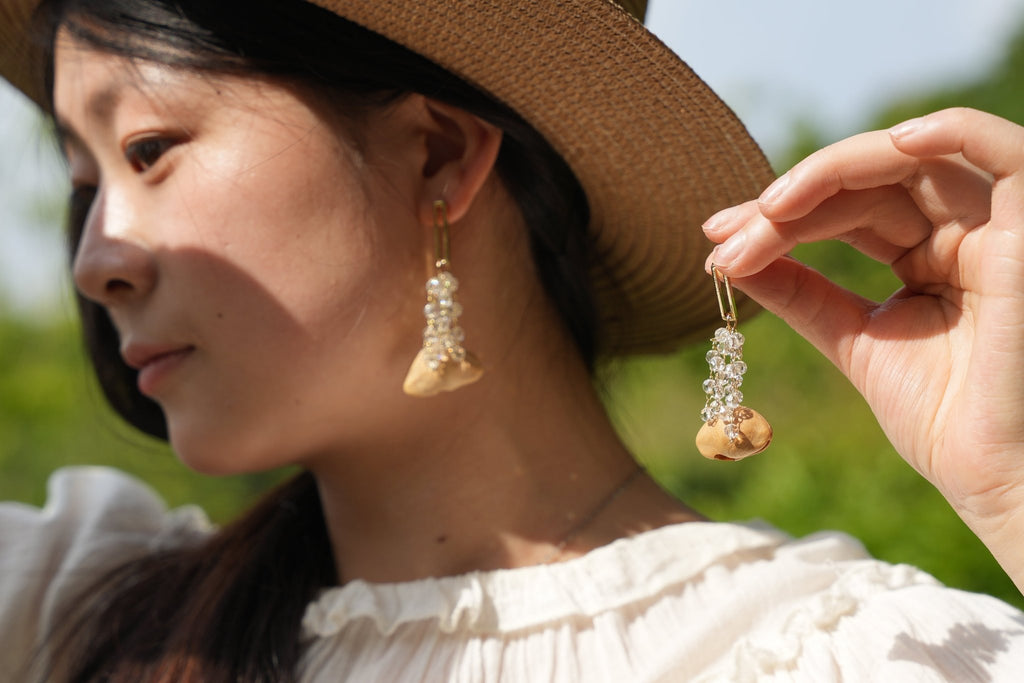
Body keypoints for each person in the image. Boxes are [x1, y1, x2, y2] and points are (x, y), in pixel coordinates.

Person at [1, 0, 1023, 680]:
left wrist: (1013, 484)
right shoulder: (73, 608)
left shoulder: (850, 655)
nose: (95, 261)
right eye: (84, 185)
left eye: (147, 149)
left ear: (438, 155)